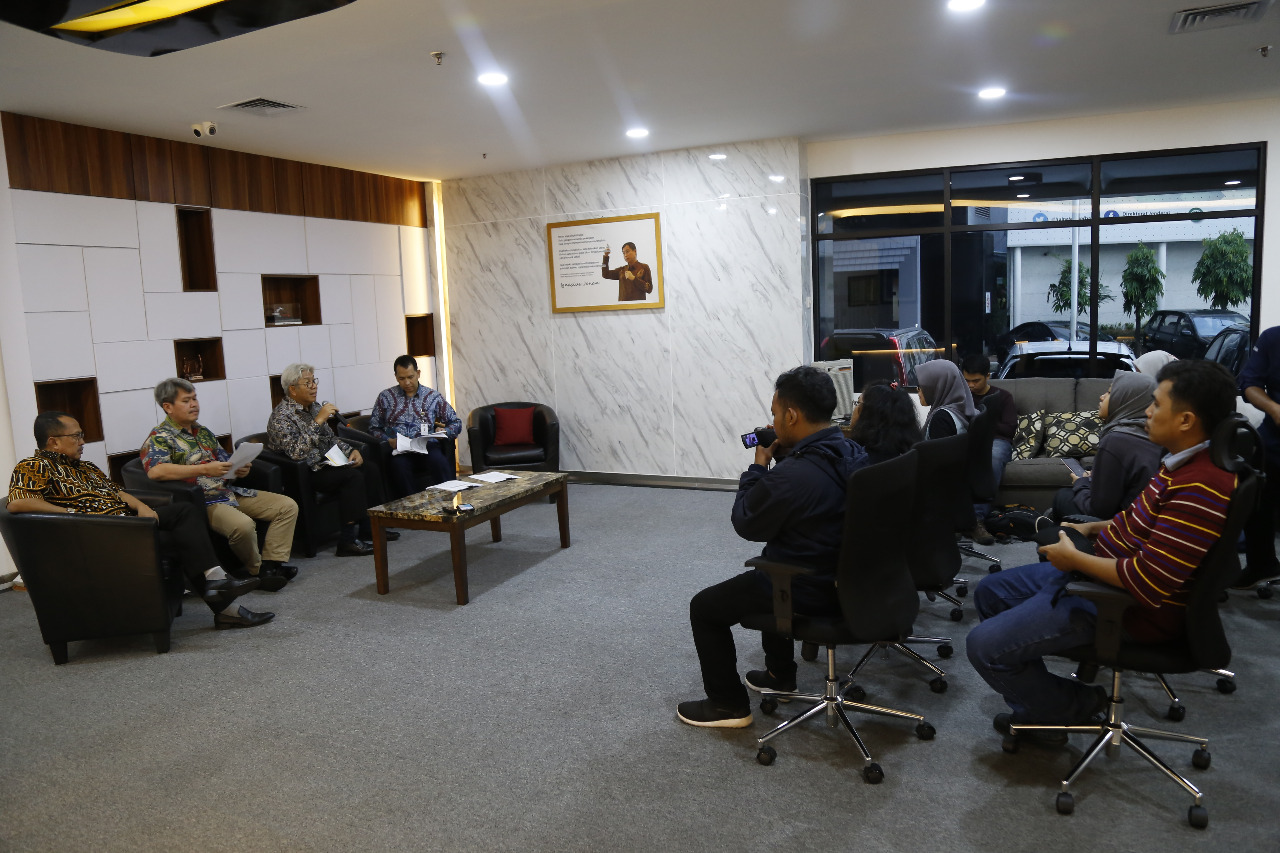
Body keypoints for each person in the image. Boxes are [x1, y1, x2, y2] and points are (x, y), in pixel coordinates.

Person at [966, 360, 1239, 737]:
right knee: (990, 592)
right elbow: (1144, 522)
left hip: (1124, 608)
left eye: (1157, 404)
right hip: (1098, 575)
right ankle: (1043, 709)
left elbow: (1147, 580)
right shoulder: (1179, 462)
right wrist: (1095, 527)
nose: (1147, 411)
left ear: (1186, 420)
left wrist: (1073, 558)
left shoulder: (1200, 486)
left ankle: (1070, 706)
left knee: (983, 646)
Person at [678, 366, 869, 727]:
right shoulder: (852, 450)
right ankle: (780, 676)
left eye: (776, 412)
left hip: (809, 587)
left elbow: (747, 522)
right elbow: (808, 496)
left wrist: (758, 469)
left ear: (792, 415)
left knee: (706, 607)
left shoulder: (792, 476)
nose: (774, 420)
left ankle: (727, 706)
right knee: (773, 561)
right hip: (854, 582)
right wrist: (786, 460)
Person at [7, 412, 272, 629]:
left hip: (127, 523)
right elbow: (18, 501)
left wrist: (142, 506)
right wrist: (72, 514)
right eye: (76, 436)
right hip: (101, 534)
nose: (82, 441)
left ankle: (218, 585)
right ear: (53, 442)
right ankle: (225, 602)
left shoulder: (85, 467)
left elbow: (118, 492)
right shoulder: (33, 466)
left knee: (184, 511)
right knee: (183, 539)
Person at [141, 378, 299, 590]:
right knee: (243, 526)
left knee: (287, 506)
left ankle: (272, 564)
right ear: (168, 407)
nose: (194, 404)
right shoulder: (159, 437)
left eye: (195, 398)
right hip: (202, 501)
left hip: (228, 491)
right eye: (186, 401)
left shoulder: (202, 431)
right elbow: (156, 471)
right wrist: (204, 469)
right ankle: (258, 570)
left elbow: (224, 462)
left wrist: (238, 468)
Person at [266, 363, 392, 557]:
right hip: (306, 472)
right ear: (292, 389)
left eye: (314, 381)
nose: (314, 387)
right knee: (352, 477)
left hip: (327, 463)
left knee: (370, 468)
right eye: (307, 383)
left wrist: (351, 451)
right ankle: (347, 541)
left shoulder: (314, 407)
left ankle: (369, 527)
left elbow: (330, 439)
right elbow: (296, 452)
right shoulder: (281, 417)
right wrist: (318, 421)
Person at [1050, 372, 1162, 522]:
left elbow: (1098, 510)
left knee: (1063, 496)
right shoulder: (1152, 432)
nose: (1101, 397)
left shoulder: (1117, 439)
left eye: (1109, 393)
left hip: (1124, 523)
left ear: (1126, 400)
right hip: (1145, 517)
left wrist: (1080, 483)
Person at [367, 355, 463, 497]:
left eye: (410, 377)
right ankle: (412, 507)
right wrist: (388, 440)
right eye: (402, 378)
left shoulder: (432, 396)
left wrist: (445, 431)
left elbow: (456, 423)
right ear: (396, 377)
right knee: (399, 467)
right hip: (400, 449)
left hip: (427, 446)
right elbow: (373, 428)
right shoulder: (386, 397)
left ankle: (449, 500)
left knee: (439, 463)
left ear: (418, 373)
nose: (407, 382)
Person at [1236, 325, 1280, 590]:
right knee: (1253, 501)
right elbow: (1250, 384)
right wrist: (1274, 409)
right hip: (1273, 443)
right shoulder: (1273, 338)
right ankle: (1261, 565)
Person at [961, 353, 1017, 532]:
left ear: (988, 376)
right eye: (967, 381)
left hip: (997, 442)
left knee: (992, 458)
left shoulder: (1003, 397)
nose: (971, 386)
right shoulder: (962, 397)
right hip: (967, 440)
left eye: (976, 381)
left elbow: (1009, 429)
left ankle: (977, 518)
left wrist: (983, 422)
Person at [848, 381, 922, 465]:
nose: (855, 408)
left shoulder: (858, 460)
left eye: (858, 403)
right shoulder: (910, 455)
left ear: (870, 415)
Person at [917, 360, 977, 441]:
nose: (918, 389)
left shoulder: (941, 419)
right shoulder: (964, 408)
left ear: (936, 387)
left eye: (921, 386)